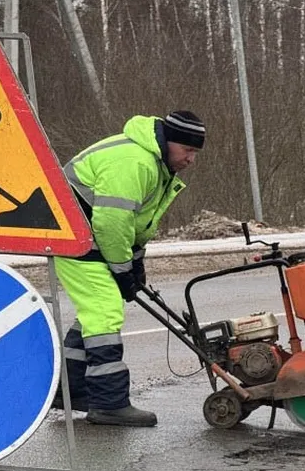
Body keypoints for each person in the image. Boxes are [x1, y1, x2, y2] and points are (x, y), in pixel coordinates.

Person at [51, 110, 205, 427]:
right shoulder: (135, 161)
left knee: (95, 314)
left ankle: (71, 391)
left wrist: (136, 264)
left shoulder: (157, 166)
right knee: (104, 311)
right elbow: (111, 221)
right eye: (188, 150)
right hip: (74, 236)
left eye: (194, 153)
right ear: (170, 141)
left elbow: (135, 222)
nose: (191, 160)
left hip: (89, 237)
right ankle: (109, 404)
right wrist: (123, 269)